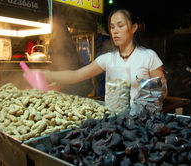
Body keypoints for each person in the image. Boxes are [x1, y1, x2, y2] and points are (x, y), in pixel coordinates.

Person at [38, 9, 167, 113]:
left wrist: (139, 105)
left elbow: (163, 92)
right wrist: (48, 75)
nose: (115, 31)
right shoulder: (108, 58)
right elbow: (76, 75)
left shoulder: (148, 57)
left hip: (141, 122)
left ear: (133, 28)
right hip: (114, 120)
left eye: (120, 26)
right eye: (112, 27)